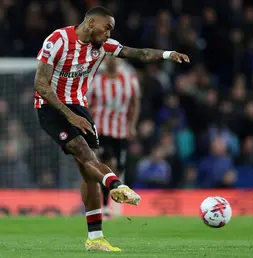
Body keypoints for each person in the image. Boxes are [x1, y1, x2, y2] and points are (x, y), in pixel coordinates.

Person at [34, 6, 189, 251]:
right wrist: (69, 116)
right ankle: (117, 186)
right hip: (52, 107)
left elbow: (138, 53)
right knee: (83, 151)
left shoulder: (102, 47)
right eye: (107, 27)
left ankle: (95, 238)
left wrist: (169, 54)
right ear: (91, 23)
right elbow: (41, 84)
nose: (109, 34)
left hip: (79, 107)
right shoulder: (58, 40)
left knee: (88, 171)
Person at [88, 56, 140, 219]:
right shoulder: (96, 82)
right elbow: (88, 105)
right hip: (101, 130)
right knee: (108, 163)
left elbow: (135, 102)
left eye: (115, 60)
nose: (112, 62)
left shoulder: (129, 80)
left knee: (118, 167)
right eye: (109, 59)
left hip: (121, 130)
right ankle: (105, 206)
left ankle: (107, 198)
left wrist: (132, 124)